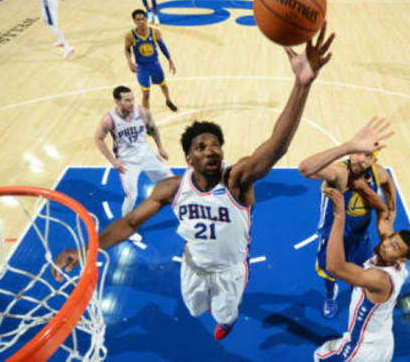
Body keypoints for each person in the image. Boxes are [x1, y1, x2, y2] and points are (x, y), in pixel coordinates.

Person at [54, 23, 336, 340]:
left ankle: (227, 320)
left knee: (225, 314)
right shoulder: (172, 188)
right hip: (193, 268)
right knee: (194, 308)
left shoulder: (236, 179)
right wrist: (85, 251)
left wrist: (302, 85)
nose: (210, 150)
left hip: (231, 271)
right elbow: (130, 222)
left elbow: (277, 146)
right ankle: (201, 308)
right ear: (189, 159)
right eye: (200, 147)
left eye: (215, 144)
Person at [298, 118, 398, 319]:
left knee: (360, 274)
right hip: (334, 236)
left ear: (374, 160)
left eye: (367, 155)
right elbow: (306, 169)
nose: (360, 159)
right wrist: (345, 148)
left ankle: (357, 296)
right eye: (357, 152)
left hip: (360, 238)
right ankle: (329, 296)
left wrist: (391, 214)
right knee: (328, 273)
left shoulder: (378, 173)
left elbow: (389, 186)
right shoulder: (339, 173)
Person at [313, 187, 410, 362]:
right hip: (382, 342)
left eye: (395, 246)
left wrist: (340, 217)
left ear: (402, 260)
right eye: (390, 239)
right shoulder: (390, 258)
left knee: (320, 356)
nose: (386, 244)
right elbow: (385, 211)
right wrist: (361, 183)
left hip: (362, 349)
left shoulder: (379, 279)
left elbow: (334, 266)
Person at [95, 86, 172, 216]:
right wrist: (113, 161)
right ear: (117, 101)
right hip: (127, 162)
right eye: (127, 100)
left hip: (147, 155)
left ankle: (186, 209)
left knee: (171, 180)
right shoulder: (109, 119)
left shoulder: (142, 112)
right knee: (131, 196)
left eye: (132, 99)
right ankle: (125, 225)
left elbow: (152, 129)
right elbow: (98, 139)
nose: (132, 103)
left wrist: (160, 148)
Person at [125, 9, 177, 112]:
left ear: (146, 19)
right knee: (146, 94)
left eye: (143, 19)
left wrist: (170, 59)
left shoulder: (155, 32)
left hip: (155, 65)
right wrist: (129, 62)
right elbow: (127, 49)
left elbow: (162, 46)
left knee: (163, 85)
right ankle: (146, 118)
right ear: (134, 21)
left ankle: (168, 100)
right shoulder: (130, 35)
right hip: (142, 67)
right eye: (138, 20)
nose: (141, 22)